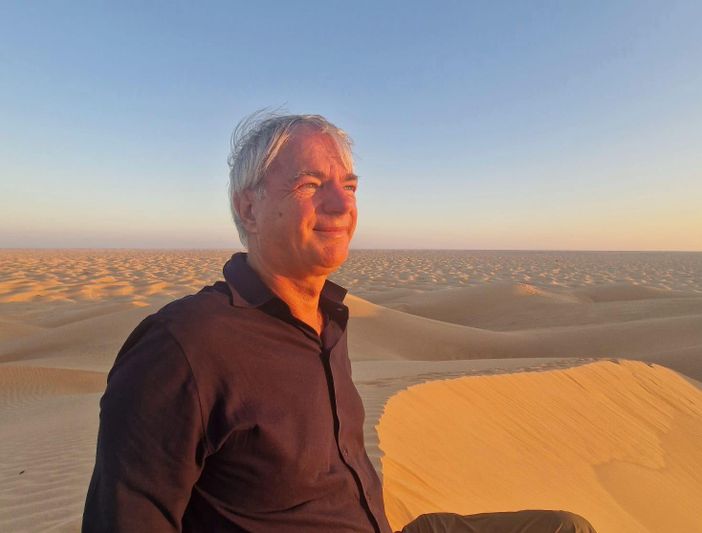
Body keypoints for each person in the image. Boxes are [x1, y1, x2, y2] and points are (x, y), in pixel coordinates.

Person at [82, 112, 596, 533]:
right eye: (310, 184)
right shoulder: (183, 346)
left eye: (349, 186)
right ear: (249, 207)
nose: (342, 204)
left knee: (563, 528)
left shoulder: (327, 321)